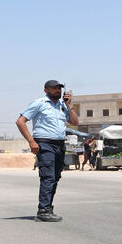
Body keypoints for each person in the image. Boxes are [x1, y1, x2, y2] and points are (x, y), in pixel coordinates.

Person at [15, 80, 79, 222]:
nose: (58, 91)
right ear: (46, 90)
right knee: (48, 177)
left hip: (60, 144)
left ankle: (48, 208)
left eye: (59, 88)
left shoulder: (62, 105)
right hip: (45, 144)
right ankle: (43, 211)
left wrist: (69, 105)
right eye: (54, 88)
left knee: (55, 177)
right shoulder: (39, 103)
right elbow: (20, 121)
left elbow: (75, 122)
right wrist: (31, 141)